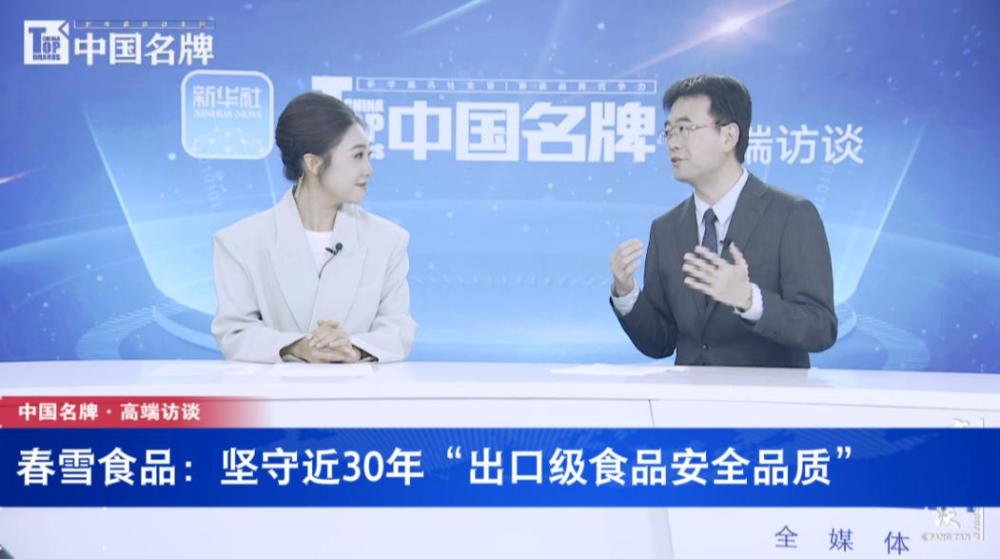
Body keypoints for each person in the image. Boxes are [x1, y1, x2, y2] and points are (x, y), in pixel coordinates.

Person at [609, 74, 836, 367]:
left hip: (766, 396)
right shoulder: (665, 228)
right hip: (688, 396)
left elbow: (820, 328)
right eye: (668, 131)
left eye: (685, 128)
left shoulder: (792, 215)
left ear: (729, 136)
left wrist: (749, 300)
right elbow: (660, 342)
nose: (673, 143)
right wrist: (626, 293)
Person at [212, 92, 416, 363]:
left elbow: (398, 330)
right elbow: (234, 333)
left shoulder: (388, 240)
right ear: (313, 163)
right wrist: (297, 347)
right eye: (357, 156)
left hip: (359, 389)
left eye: (369, 155)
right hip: (275, 390)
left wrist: (352, 348)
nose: (369, 170)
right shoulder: (240, 242)